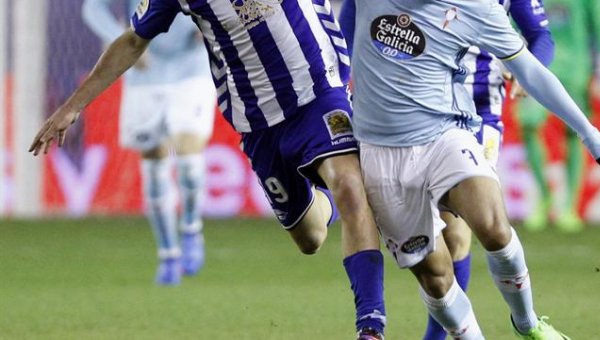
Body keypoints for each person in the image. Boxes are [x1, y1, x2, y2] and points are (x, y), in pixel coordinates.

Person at [30, 0, 386, 338]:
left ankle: (370, 326)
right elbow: (134, 38)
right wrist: (73, 107)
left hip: (320, 93)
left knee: (351, 187)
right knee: (311, 238)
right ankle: (328, 192)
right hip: (258, 122)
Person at [343, 0, 600, 339]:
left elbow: (533, 68)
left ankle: (526, 323)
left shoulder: (475, 6)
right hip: (382, 152)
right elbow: (341, 38)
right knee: (436, 276)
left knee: (492, 226)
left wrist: (596, 140)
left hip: (448, 133)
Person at [80, 0, 216, 286]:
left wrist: (214, 25)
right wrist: (123, 41)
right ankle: (168, 254)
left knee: (188, 151)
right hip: (144, 75)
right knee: (154, 164)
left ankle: (191, 228)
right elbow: (93, 8)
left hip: (191, 69)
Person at [517, 0, 600, 232]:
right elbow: (512, 15)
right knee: (528, 124)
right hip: (537, 61)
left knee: (576, 131)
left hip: (576, 65)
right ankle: (544, 196)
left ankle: (569, 206)